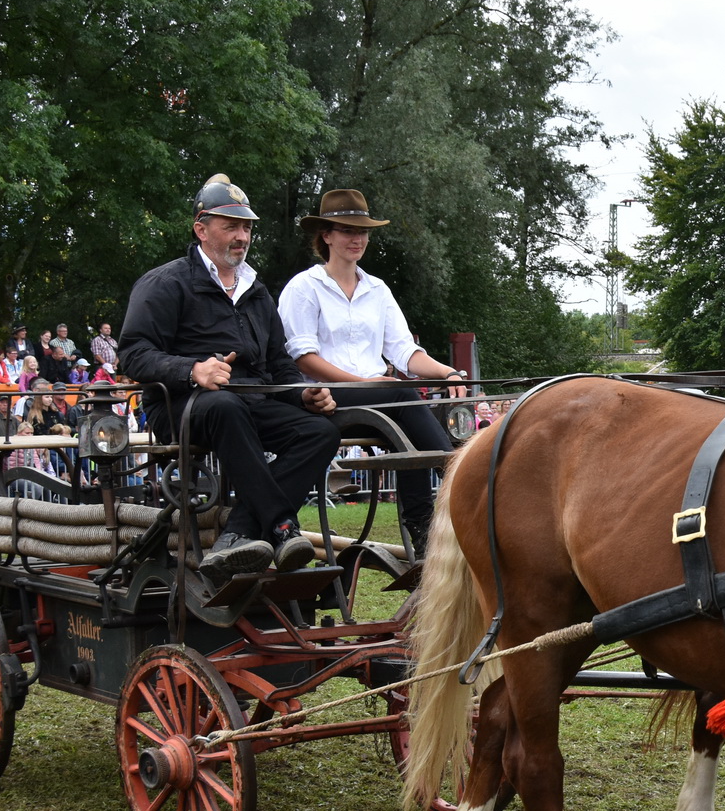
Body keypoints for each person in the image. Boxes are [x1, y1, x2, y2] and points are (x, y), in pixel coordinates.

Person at [119, 173, 341, 586]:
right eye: (231, 226)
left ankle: (239, 532)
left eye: (247, 228)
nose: (242, 236)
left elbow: (279, 361)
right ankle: (280, 528)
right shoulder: (164, 283)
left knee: (321, 431)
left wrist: (303, 394)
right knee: (225, 405)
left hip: (251, 404)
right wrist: (192, 370)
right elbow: (132, 353)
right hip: (181, 407)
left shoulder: (257, 291)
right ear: (201, 229)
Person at [278, 188, 466, 556]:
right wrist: (365, 383)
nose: (357, 238)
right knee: (399, 394)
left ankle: (421, 523)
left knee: (403, 415)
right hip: (321, 398)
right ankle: (461, 484)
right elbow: (303, 357)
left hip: (376, 398)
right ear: (326, 236)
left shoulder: (377, 289)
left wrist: (448, 373)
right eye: (347, 230)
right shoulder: (304, 287)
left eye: (362, 231)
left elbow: (405, 351)